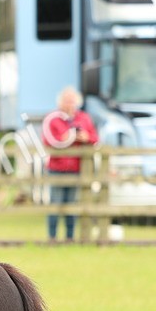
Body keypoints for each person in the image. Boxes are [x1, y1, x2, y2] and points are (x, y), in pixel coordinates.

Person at [44, 87, 99, 242]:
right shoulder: (53, 119)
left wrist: (86, 138)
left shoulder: (84, 118)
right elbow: (48, 141)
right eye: (66, 101)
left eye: (72, 101)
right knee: (55, 204)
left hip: (76, 168)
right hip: (57, 168)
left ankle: (70, 237)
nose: (69, 104)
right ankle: (52, 237)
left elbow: (95, 139)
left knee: (72, 205)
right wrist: (64, 138)